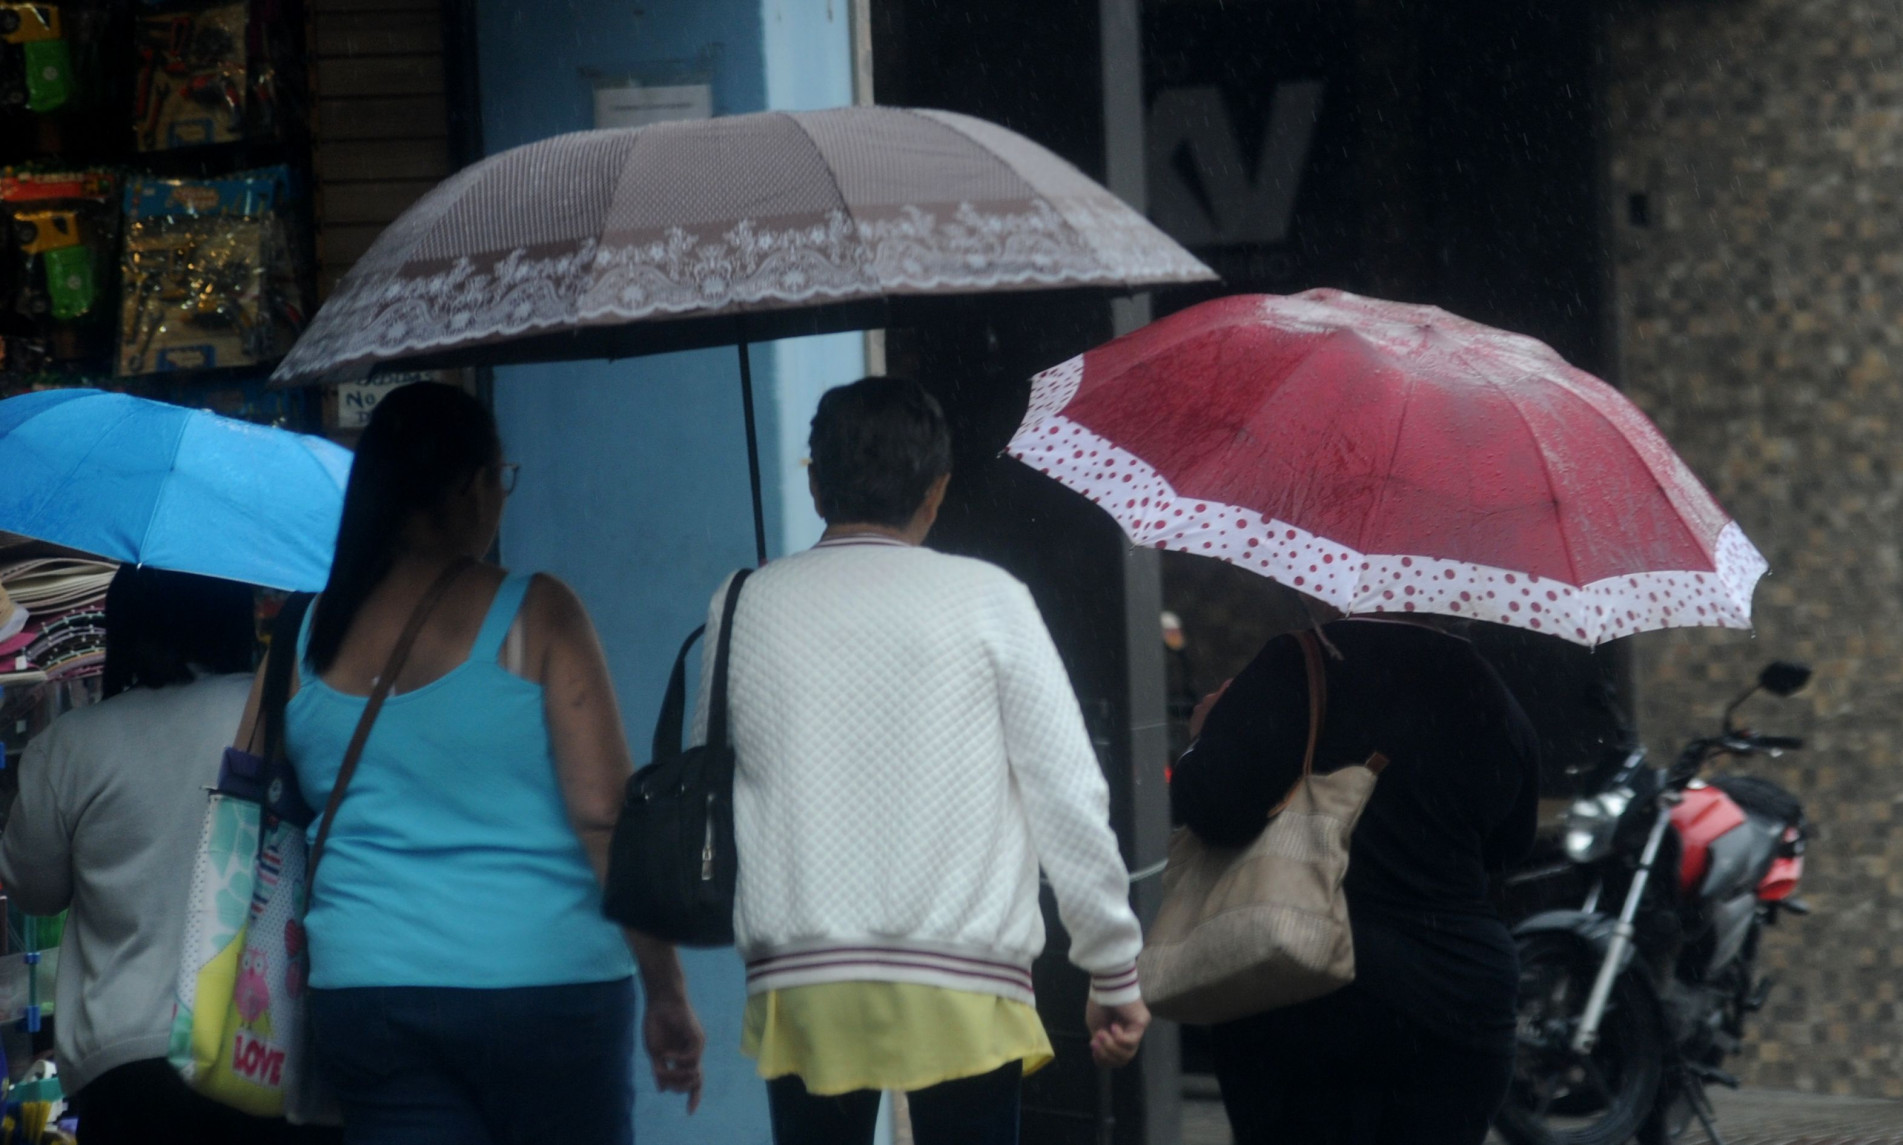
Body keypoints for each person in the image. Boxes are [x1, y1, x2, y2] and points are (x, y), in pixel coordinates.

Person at [697, 376, 1151, 1145]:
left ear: (814, 482)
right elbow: (1068, 794)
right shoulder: (987, 598)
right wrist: (1111, 964)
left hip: (805, 976)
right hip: (964, 978)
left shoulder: (744, 600)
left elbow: (716, 777)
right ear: (936, 491)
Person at [256, 383, 703, 1145]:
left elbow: (255, 788)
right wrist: (665, 987)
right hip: (546, 987)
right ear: (471, 487)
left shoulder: (304, 634)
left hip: (368, 987)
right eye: (503, 477)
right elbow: (603, 816)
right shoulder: (536, 612)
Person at [1170, 614, 1539, 1145]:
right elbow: (1510, 845)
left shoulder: (1296, 664)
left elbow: (1214, 807)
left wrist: (1203, 738)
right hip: (1457, 1000)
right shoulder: (1486, 686)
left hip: (1305, 991)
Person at [0, 566, 336, 1145]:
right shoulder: (281, 719)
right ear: (233, 615)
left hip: (126, 1062)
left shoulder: (71, 744)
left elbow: (34, 890)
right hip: (263, 1044)